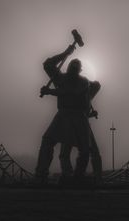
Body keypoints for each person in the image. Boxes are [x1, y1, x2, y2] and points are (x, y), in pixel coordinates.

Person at [35, 45, 92, 183]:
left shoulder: (84, 82)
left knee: (84, 148)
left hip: (78, 117)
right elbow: (48, 64)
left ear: (80, 70)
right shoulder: (60, 78)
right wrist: (65, 53)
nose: (73, 68)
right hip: (63, 115)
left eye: (76, 66)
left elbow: (72, 92)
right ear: (67, 67)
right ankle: (41, 174)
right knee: (48, 141)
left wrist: (50, 92)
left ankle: (77, 176)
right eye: (72, 65)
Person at [59, 80, 103, 183]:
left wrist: (91, 114)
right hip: (71, 125)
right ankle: (68, 174)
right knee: (66, 151)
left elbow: (83, 114)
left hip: (82, 125)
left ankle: (94, 176)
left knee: (92, 152)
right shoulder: (79, 93)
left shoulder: (88, 96)